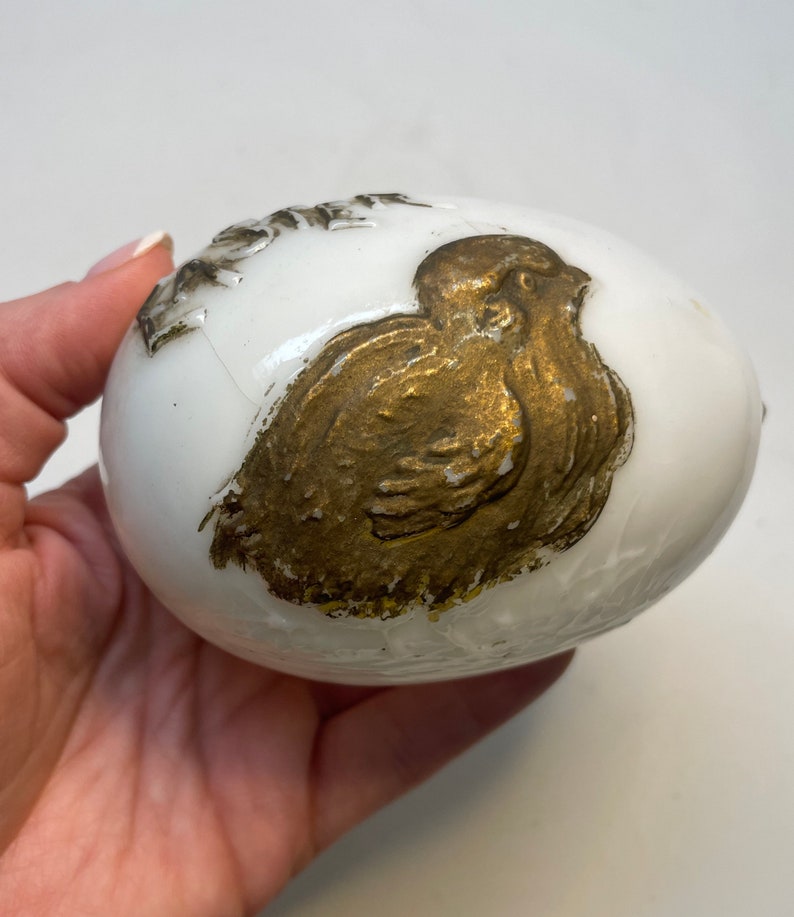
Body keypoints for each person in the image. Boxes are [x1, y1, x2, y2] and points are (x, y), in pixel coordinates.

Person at [0, 233, 572, 914]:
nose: (570, 295)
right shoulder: (480, 398)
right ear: (496, 303)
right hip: (307, 570)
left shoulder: (458, 369)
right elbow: (342, 511)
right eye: (535, 287)